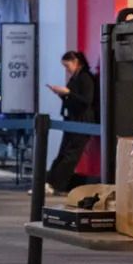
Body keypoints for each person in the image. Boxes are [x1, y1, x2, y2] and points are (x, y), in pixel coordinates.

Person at [46, 50, 99, 194]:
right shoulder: (76, 78)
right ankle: (50, 181)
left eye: (67, 65)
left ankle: (55, 183)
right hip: (73, 120)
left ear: (75, 62)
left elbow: (86, 100)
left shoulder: (85, 78)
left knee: (70, 154)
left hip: (82, 121)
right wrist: (62, 95)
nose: (66, 69)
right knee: (64, 152)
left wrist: (68, 93)